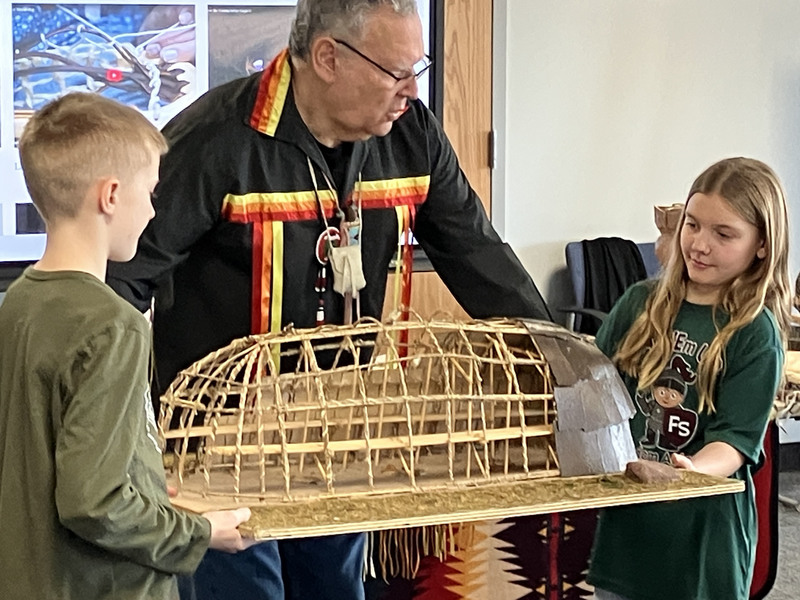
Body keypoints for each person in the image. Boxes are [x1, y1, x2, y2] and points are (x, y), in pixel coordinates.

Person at [106, 0, 551, 598]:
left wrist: (566, 364)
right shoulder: (216, 137)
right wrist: (123, 430)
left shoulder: (412, 136)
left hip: (343, 439)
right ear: (327, 57)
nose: (411, 91)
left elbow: (479, 258)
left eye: (416, 69)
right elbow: (123, 278)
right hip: (219, 453)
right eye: (397, 72)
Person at [0, 92, 253, 600]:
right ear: (111, 196)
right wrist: (201, 534)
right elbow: (93, 501)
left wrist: (154, 496)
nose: (153, 210)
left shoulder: (18, 303)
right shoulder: (115, 326)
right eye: (151, 193)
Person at [587, 157, 791, 600]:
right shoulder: (640, 301)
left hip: (702, 543)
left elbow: (735, 444)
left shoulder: (755, 333)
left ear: (761, 244)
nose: (699, 245)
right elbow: (594, 391)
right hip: (628, 529)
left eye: (724, 234)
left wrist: (689, 470)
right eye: (693, 225)